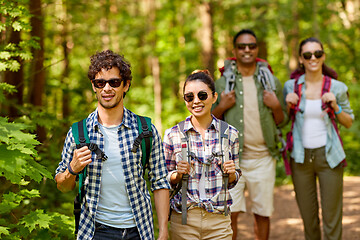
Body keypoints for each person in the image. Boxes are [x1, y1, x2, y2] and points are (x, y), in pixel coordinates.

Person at [55, 50, 170, 240]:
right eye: (100, 83)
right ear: (94, 86)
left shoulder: (145, 130)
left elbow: (160, 182)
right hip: (95, 231)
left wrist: (164, 231)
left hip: (139, 229)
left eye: (114, 82)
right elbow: (63, 186)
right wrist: (72, 170)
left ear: (126, 85)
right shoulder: (79, 133)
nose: (107, 88)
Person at [212, 29, 287, 240]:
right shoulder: (221, 85)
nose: (247, 50)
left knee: (262, 213)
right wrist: (222, 106)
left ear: (257, 49)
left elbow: (283, 120)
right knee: (230, 214)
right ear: (234, 50)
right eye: (242, 46)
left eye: (251, 46)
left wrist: (276, 107)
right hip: (231, 160)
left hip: (263, 158)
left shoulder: (271, 82)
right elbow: (208, 123)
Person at [284, 37, 353, 240]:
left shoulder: (337, 87)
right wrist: (287, 105)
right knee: (308, 220)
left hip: (329, 156)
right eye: (308, 55)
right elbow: (281, 122)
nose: (313, 58)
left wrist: (335, 106)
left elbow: (348, 122)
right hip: (300, 158)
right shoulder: (291, 86)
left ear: (323, 56)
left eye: (318, 54)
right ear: (301, 59)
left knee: (332, 219)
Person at [163, 70, 241, 240]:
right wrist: (177, 174)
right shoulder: (172, 135)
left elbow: (234, 180)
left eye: (202, 95)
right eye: (189, 97)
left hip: (219, 221)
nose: (196, 101)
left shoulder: (230, 134)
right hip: (184, 221)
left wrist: (232, 173)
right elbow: (163, 179)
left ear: (214, 97)